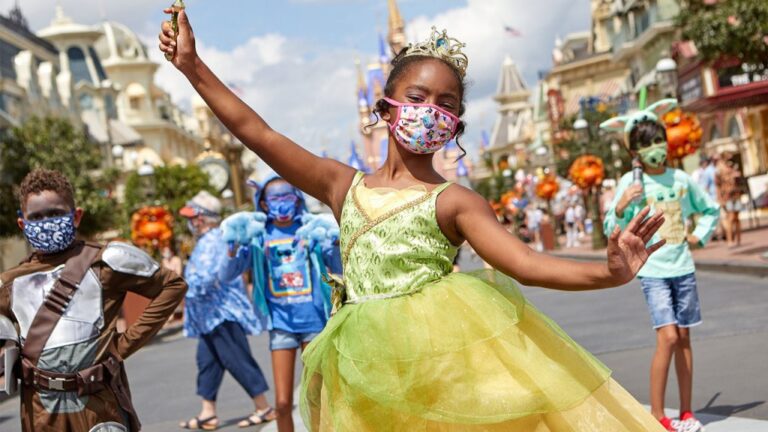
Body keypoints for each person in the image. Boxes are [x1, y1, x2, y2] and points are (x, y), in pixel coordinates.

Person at [160, 13, 668, 430]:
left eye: (447, 104)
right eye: (418, 98)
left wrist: (608, 273)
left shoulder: (455, 202)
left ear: (456, 125)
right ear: (385, 108)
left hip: (441, 366)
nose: (431, 111)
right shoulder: (342, 185)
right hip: (361, 366)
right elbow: (259, 133)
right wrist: (192, 66)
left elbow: (526, 263)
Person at [0, 169, 187, 432]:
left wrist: (123, 346)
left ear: (76, 216)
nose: (46, 222)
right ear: (23, 224)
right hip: (41, 410)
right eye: (37, 217)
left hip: (98, 404)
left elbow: (172, 286)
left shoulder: (105, 262)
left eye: (55, 213)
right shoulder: (10, 283)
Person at [601, 100, 720, 432]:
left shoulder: (680, 179)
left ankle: (686, 413)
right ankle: (656, 415)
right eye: (647, 144)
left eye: (659, 141)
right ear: (634, 152)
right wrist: (621, 206)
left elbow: (709, 209)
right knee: (667, 337)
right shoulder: (631, 183)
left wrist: (698, 236)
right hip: (653, 271)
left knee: (683, 337)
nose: (656, 148)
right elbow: (611, 225)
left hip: (683, 268)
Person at [219, 175, 342, 432]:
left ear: (297, 199)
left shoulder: (310, 228)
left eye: (287, 196)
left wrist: (333, 243)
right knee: (283, 403)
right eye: (275, 198)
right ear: (264, 204)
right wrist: (232, 249)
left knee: (317, 399)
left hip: (314, 324)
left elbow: (337, 265)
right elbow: (227, 275)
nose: (282, 203)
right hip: (281, 326)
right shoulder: (258, 235)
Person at [178, 191, 275, 430]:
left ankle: (263, 407)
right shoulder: (206, 240)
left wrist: (180, 290)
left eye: (192, 217)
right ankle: (208, 413)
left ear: (202, 218)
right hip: (209, 316)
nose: (190, 222)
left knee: (237, 359)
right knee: (207, 362)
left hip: (222, 313)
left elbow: (208, 277)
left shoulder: (214, 240)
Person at [715, 152, 742, 247]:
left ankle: (738, 239)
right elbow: (717, 185)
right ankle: (730, 240)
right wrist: (720, 198)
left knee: (737, 218)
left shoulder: (734, 169)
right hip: (727, 197)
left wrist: (737, 175)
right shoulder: (720, 170)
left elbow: (739, 181)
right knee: (730, 218)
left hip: (736, 195)